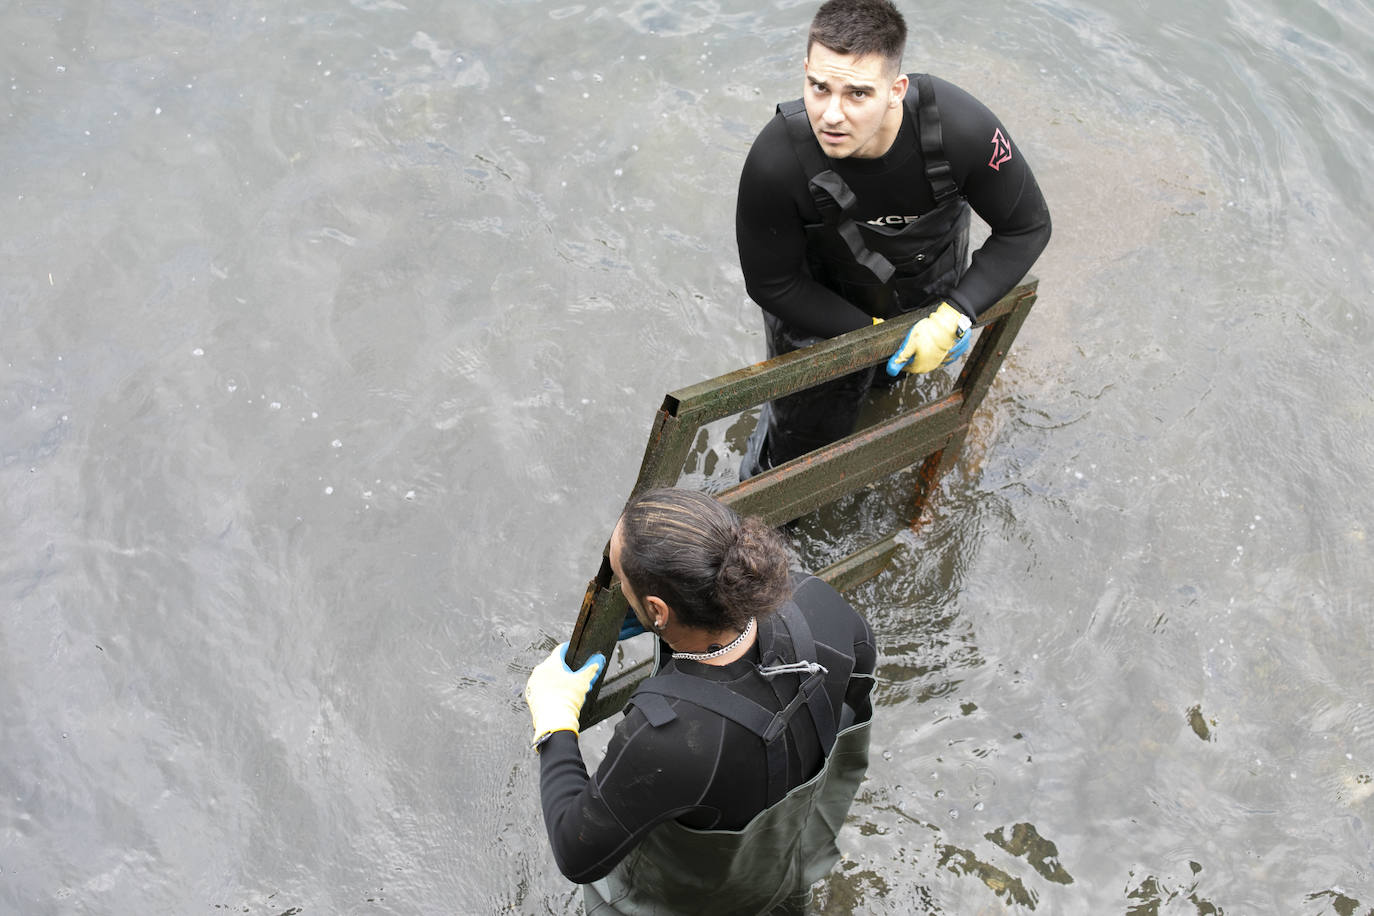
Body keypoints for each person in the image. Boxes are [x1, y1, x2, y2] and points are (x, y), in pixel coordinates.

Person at [736, 0, 1052, 479]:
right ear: (804, 72)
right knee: (796, 446)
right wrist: (874, 336)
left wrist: (958, 311)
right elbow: (772, 283)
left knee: (899, 388)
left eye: (858, 94)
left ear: (895, 90)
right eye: (819, 87)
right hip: (821, 303)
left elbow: (1027, 226)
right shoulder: (775, 162)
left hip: (928, 278)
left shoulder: (960, 130)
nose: (832, 115)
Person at [524, 488, 877, 914]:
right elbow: (851, 698)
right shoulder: (819, 603)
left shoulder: (666, 736)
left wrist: (554, 722)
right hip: (783, 866)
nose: (618, 588)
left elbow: (575, 852)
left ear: (658, 608)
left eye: (621, 581)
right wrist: (669, 633)